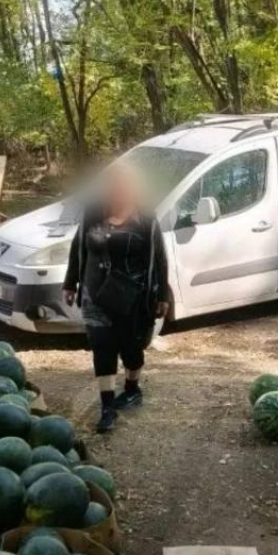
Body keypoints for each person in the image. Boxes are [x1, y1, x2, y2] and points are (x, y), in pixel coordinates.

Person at [63, 164, 169, 433]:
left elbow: (159, 258)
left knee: (131, 348)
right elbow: (79, 247)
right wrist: (70, 282)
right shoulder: (93, 213)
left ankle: (132, 389)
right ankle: (107, 407)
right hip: (95, 293)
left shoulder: (146, 218)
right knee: (102, 347)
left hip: (131, 295)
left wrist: (161, 294)